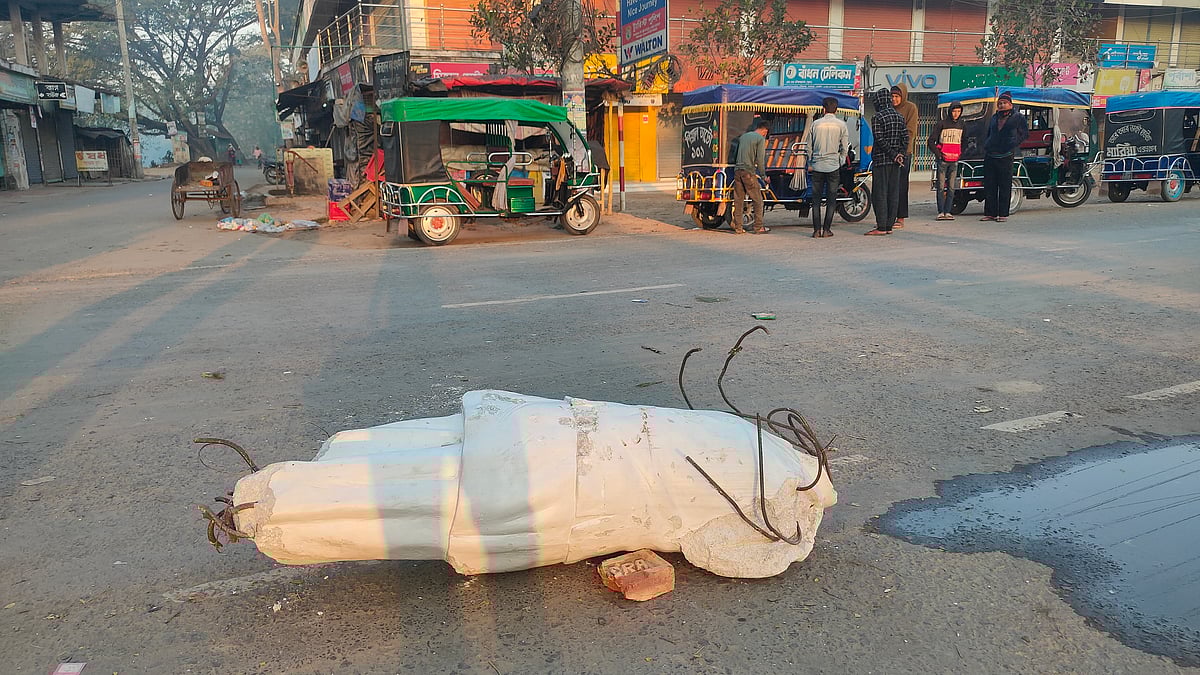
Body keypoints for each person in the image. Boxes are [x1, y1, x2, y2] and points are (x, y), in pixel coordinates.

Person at [866, 88, 909, 236]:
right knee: (893, 193)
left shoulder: (877, 117)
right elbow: (906, 138)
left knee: (880, 193)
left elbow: (879, 139)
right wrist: (900, 155)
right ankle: (889, 225)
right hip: (896, 162)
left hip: (881, 160)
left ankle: (882, 226)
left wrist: (892, 154)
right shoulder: (899, 116)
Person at [981, 91, 1029, 223]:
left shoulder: (1018, 117)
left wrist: (1012, 143)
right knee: (990, 185)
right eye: (1000, 103)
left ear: (1010, 104)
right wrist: (987, 144)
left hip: (1006, 155)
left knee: (1004, 185)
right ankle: (990, 213)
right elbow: (989, 133)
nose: (1002, 105)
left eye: (1004, 103)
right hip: (991, 154)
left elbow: (1024, 134)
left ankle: (1003, 214)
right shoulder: (994, 118)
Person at [807, 97, 849, 238]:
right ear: (836, 110)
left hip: (817, 166)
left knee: (816, 201)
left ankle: (816, 231)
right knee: (831, 200)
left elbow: (808, 147)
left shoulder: (815, 124)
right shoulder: (841, 125)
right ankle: (827, 230)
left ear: (823, 109)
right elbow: (845, 147)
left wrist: (811, 162)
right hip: (833, 167)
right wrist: (840, 161)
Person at [732, 120, 770, 234]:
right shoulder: (760, 139)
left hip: (738, 170)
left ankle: (738, 227)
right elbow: (760, 159)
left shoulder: (743, 137)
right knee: (758, 200)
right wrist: (764, 176)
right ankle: (758, 227)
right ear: (765, 131)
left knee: (738, 200)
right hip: (748, 172)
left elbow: (735, 154)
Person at [928, 101, 965, 220]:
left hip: (954, 160)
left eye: (958, 111)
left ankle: (948, 212)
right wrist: (939, 155)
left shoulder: (962, 125)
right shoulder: (942, 124)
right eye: (954, 111)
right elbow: (931, 141)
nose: (956, 114)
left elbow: (965, 140)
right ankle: (941, 211)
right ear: (950, 111)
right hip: (942, 160)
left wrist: (960, 153)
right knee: (940, 187)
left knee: (951, 187)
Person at [891, 84, 919, 228]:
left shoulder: (910, 108)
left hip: (903, 153)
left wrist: (902, 152)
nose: (894, 99)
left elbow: (910, 132)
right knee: (890, 186)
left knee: (901, 186)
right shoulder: (889, 109)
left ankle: (900, 217)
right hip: (890, 153)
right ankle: (890, 215)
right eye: (893, 96)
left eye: (897, 96)